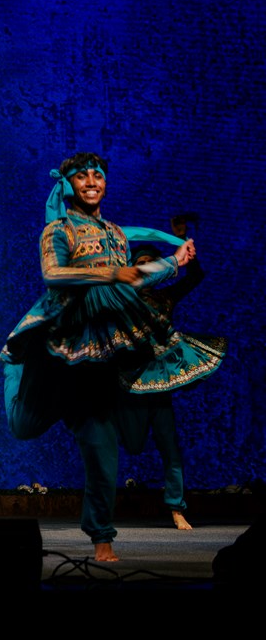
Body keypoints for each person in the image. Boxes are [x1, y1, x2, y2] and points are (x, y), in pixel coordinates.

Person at [1, 154, 223, 561]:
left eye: (98, 176)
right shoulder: (59, 229)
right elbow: (53, 275)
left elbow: (131, 279)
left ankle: (102, 538)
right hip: (55, 351)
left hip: (98, 356)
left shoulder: (117, 235)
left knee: (103, 448)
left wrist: (174, 261)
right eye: (81, 176)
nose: (91, 181)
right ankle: (14, 370)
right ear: (68, 185)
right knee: (23, 427)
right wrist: (110, 273)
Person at [118, 214, 225, 531]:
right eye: (142, 263)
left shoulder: (166, 296)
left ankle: (177, 508)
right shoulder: (122, 296)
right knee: (132, 444)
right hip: (130, 382)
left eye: (152, 263)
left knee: (170, 446)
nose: (148, 267)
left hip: (160, 383)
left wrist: (182, 239)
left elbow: (195, 276)